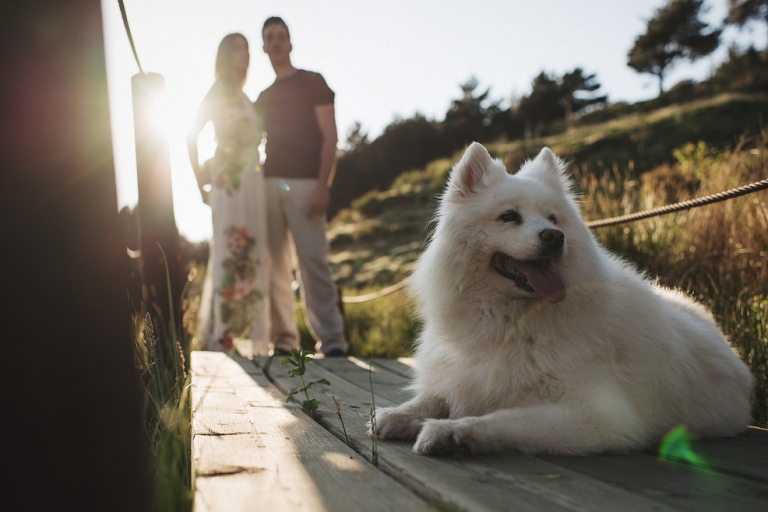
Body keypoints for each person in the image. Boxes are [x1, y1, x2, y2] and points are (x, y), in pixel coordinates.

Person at [254, 17, 347, 357]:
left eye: (281, 36)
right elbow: (247, 143)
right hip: (268, 186)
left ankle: (333, 342)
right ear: (263, 47)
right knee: (275, 267)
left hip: (307, 185)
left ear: (290, 44)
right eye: (269, 38)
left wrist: (324, 186)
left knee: (313, 263)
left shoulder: (313, 82)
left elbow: (330, 137)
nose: (276, 42)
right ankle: (284, 342)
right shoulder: (262, 97)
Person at [187, 33, 269, 354]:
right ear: (223, 55)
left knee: (253, 252)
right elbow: (190, 135)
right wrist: (199, 183)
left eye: (246, 49)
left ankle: (249, 334)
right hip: (229, 179)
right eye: (236, 48)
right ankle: (223, 337)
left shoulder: (242, 95)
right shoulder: (219, 89)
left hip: (253, 180)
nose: (243, 54)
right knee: (229, 249)